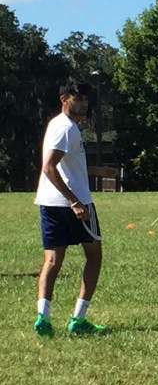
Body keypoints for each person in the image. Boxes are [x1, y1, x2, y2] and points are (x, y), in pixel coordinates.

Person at [34, 79, 105, 336]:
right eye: (78, 98)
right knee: (94, 256)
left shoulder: (56, 124)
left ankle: (43, 316)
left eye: (86, 99)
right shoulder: (67, 129)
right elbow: (49, 167)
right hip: (73, 203)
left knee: (52, 260)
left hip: (48, 202)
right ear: (64, 99)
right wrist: (74, 200)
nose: (84, 103)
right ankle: (78, 319)